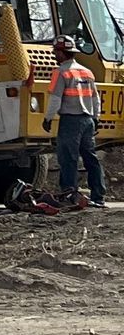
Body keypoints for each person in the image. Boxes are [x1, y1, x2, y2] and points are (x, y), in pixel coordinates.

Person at [46, 37, 106, 209]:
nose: (54, 54)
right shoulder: (87, 72)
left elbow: (55, 99)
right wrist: (96, 118)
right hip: (87, 120)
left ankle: (69, 196)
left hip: (70, 120)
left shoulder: (61, 72)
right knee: (90, 158)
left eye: (56, 51)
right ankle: (98, 197)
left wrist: (48, 118)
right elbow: (95, 98)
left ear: (62, 53)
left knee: (68, 159)